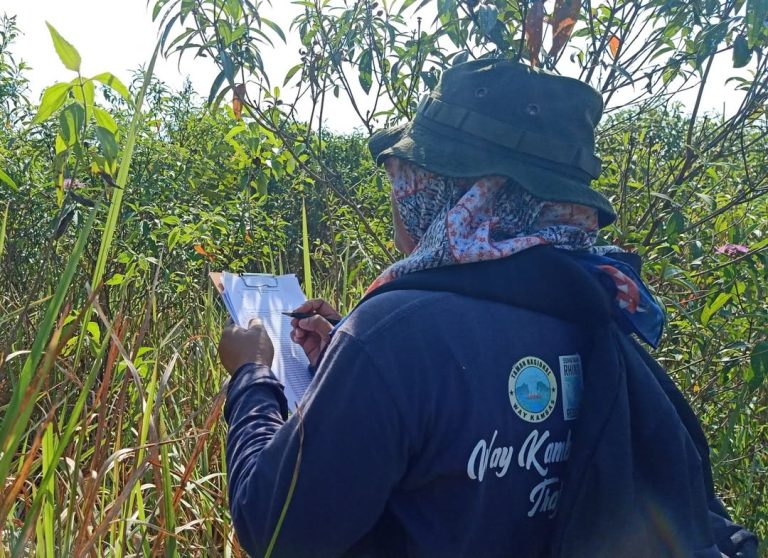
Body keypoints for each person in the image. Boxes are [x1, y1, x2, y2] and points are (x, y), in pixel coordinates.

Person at [218, 60, 758, 557]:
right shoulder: (593, 304)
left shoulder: (393, 336)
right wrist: (349, 357)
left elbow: (273, 530)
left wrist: (252, 376)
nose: (397, 192)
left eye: (402, 174)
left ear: (436, 190)